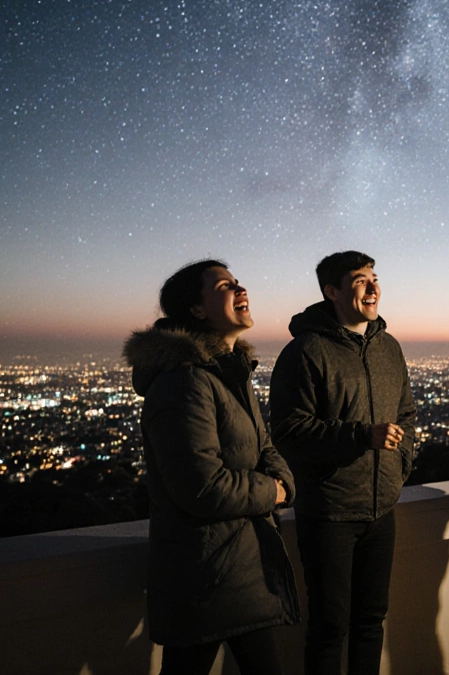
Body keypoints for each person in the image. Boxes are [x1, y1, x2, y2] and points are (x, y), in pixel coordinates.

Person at [123, 260, 298, 675]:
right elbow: (201, 487)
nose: (241, 290)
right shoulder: (184, 381)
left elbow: (265, 449)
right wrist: (273, 492)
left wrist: (283, 482)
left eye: (238, 282)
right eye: (225, 286)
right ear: (197, 311)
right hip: (204, 571)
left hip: (239, 566)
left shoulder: (229, 373)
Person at [268, 250, 415, 675]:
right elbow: (290, 431)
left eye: (374, 278)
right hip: (329, 511)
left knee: (370, 622)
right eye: (359, 280)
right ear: (332, 291)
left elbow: (406, 414)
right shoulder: (305, 352)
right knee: (330, 627)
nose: (373, 287)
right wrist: (359, 436)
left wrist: (399, 468)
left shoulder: (389, 348)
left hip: (382, 509)